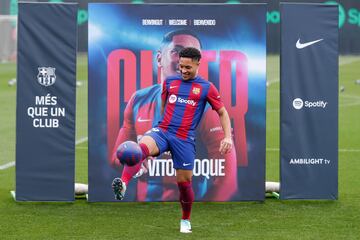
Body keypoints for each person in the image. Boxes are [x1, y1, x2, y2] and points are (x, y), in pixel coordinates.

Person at [112, 47, 233, 233]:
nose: (183, 70)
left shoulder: (206, 88)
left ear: (198, 64)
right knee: (139, 150)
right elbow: (163, 104)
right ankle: (124, 183)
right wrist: (161, 125)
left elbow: (223, 113)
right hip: (163, 131)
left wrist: (227, 138)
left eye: (187, 67)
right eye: (181, 67)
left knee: (184, 184)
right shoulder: (170, 82)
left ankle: (185, 220)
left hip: (184, 139)